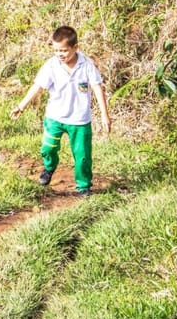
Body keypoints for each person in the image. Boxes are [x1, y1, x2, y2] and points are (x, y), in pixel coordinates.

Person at [9, 26, 111, 196]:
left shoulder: (86, 65)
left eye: (64, 51)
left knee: (83, 156)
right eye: (56, 50)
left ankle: (83, 186)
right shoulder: (51, 65)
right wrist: (21, 106)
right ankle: (49, 168)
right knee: (47, 148)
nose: (60, 54)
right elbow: (38, 87)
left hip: (79, 120)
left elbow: (97, 88)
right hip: (54, 118)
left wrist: (104, 115)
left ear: (75, 47)